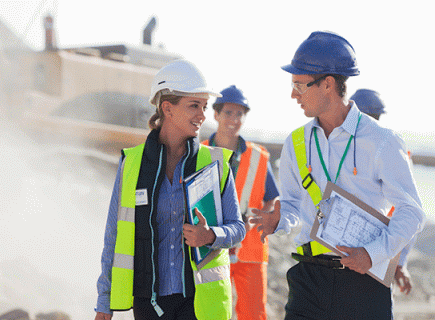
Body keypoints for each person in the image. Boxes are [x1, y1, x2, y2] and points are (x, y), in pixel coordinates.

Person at [251, 31, 425, 319]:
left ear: (328, 84)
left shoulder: (382, 141)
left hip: (364, 281)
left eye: (299, 85)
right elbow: (293, 206)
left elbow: (412, 212)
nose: (293, 94)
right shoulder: (295, 143)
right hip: (309, 278)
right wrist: (279, 219)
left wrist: (371, 254)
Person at [94, 59, 246, 320]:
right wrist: (104, 303)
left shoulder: (215, 164)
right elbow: (114, 236)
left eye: (204, 106)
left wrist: (210, 236)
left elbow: (238, 229)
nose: (202, 115)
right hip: (149, 303)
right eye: (194, 106)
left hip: (198, 305)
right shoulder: (132, 164)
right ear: (168, 108)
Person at [201, 85, 279, 320]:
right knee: (211, 312)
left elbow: (272, 199)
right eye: (228, 113)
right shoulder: (199, 153)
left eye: (239, 114)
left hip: (250, 250)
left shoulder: (258, 157)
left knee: (253, 314)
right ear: (216, 114)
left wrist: (254, 220)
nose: (234, 119)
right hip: (209, 246)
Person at [351, 88, 414, 295]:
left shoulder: (394, 153)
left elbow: (407, 212)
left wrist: (399, 262)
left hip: (379, 255)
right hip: (356, 255)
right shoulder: (342, 150)